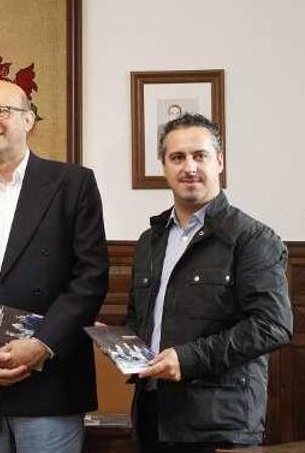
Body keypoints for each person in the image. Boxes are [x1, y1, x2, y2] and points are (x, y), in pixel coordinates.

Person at [0, 79, 109, 453]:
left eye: (0, 111)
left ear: (28, 119)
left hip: (50, 386)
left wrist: (42, 344)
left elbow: (90, 279)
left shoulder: (73, 184)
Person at [125, 113, 293, 452]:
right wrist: (121, 343)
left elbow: (273, 325)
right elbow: (141, 317)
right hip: (151, 418)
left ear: (219, 161)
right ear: (164, 166)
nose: (189, 167)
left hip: (218, 425)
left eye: (199, 155)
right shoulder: (150, 240)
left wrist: (187, 359)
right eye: (177, 157)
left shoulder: (253, 238)